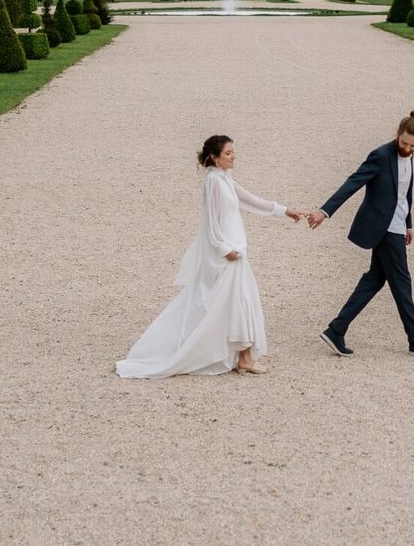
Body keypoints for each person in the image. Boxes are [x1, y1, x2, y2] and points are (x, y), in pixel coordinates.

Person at [116, 135, 304, 378]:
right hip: (227, 253)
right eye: (228, 153)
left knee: (242, 301)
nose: (233, 155)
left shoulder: (225, 178)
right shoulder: (213, 181)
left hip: (236, 248)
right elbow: (210, 221)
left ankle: (245, 357)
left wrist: (285, 211)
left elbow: (249, 200)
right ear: (215, 158)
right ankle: (243, 358)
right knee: (237, 301)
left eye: (233, 151)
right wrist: (224, 249)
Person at [308, 111, 414, 358]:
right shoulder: (381, 155)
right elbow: (354, 182)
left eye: (413, 145)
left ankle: (336, 330)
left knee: (374, 279)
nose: (407, 148)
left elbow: (405, 194)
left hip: (397, 227)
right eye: (404, 142)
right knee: (402, 284)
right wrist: (325, 211)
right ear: (398, 135)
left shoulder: (409, 156)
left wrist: (409, 224)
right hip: (384, 229)